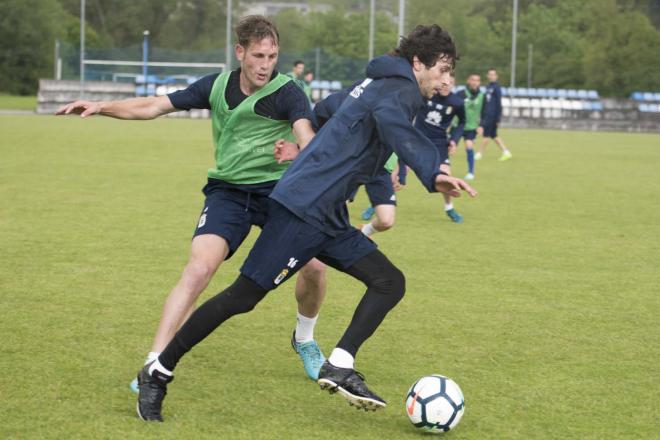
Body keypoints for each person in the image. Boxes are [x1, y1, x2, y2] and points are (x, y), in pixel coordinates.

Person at [136, 24, 476, 422]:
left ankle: (339, 364)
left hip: (326, 212)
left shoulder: (376, 80)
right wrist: (433, 171)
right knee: (242, 298)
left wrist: (313, 147)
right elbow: (396, 129)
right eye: (443, 70)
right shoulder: (398, 91)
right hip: (303, 209)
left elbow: (330, 107)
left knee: (389, 282)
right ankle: (157, 372)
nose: (446, 80)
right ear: (418, 63)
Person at [55, 15, 328, 398]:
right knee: (199, 269)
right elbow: (152, 106)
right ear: (240, 52)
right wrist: (101, 105)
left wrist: (299, 150)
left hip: (279, 194)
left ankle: (305, 338)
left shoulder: (288, 92)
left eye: (273, 55)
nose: (267, 64)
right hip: (228, 193)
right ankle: (155, 363)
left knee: (315, 267)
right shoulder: (216, 86)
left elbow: (308, 137)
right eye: (259, 55)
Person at [414, 73, 467, 223]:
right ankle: (377, 203)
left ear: (453, 85)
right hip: (416, 138)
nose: (446, 85)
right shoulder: (428, 93)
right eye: (444, 82)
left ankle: (449, 208)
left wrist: (455, 140)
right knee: (392, 168)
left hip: (439, 142)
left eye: (450, 83)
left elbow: (462, 122)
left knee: (446, 176)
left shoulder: (457, 102)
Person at [475, 68, 512, 161]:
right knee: (494, 135)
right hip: (487, 115)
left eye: (493, 74)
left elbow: (499, 104)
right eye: (490, 74)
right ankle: (506, 152)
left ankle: (479, 154)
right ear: (488, 76)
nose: (491, 76)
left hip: (492, 116)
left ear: (496, 76)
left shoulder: (497, 88)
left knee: (486, 135)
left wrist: (498, 118)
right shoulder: (488, 87)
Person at [453, 73, 484, 180]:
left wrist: (481, 125)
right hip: (457, 126)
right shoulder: (460, 94)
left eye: (477, 80)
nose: (475, 82)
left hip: (471, 127)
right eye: (473, 80)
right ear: (468, 81)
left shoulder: (481, 96)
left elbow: (484, 112)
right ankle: (442, 169)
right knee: (450, 147)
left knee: (469, 147)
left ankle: (471, 172)